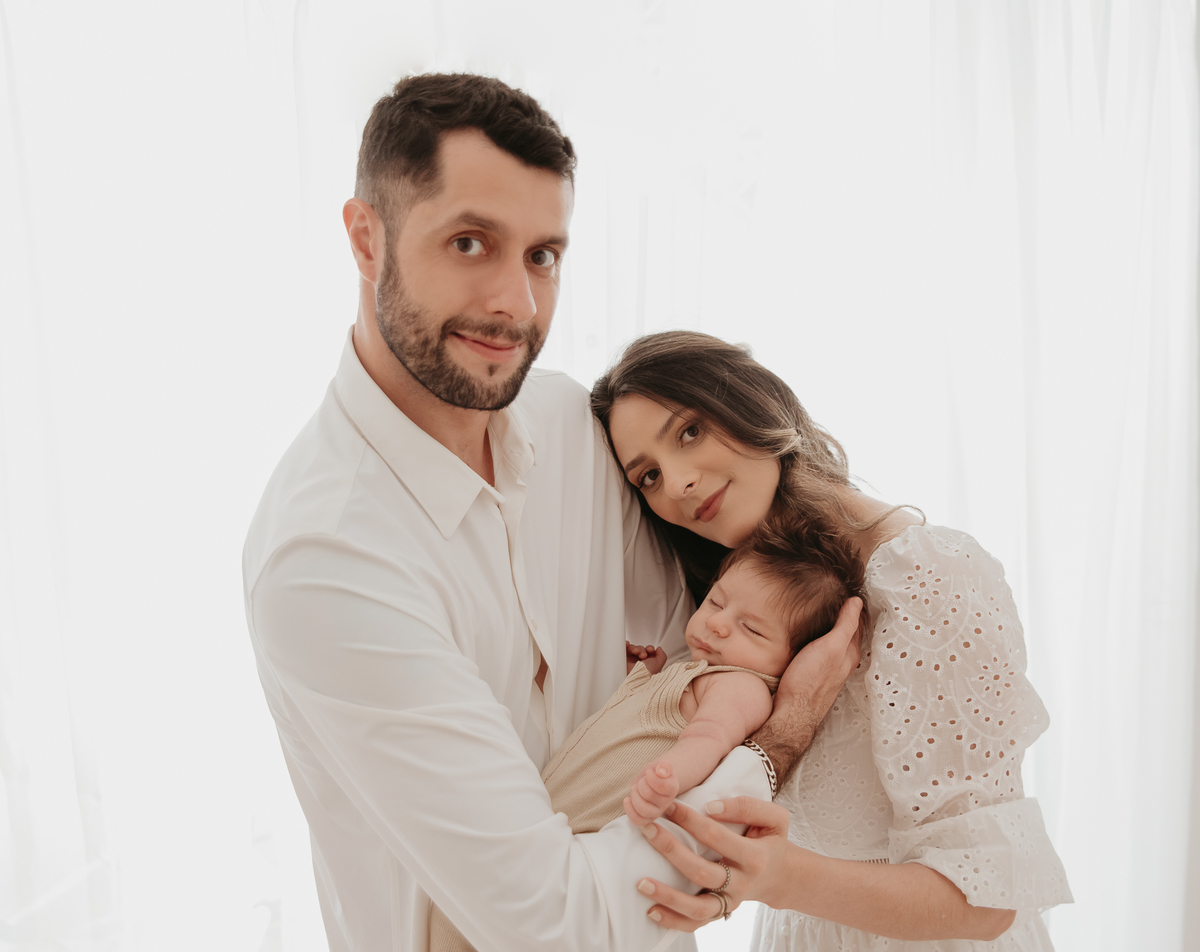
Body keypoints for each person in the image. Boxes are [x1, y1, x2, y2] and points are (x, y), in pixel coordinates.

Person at [243, 74, 860, 952]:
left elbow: (718, 632)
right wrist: (774, 741)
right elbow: (558, 927)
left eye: (543, 255)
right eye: (469, 242)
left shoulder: (575, 428)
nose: (517, 305)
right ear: (366, 237)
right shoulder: (328, 561)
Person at [589, 331, 1074, 950]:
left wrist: (778, 876)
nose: (678, 482)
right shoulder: (726, 604)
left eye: (689, 432)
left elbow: (989, 898)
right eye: (648, 476)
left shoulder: (928, 575)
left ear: (754, 404)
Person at [431, 522, 864, 952]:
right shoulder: (693, 673)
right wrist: (644, 677)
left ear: (793, 660)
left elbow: (708, 738)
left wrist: (669, 777)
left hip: (587, 836)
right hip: (553, 826)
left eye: (751, 629)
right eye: (716, 601)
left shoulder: (741, 686)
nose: (717, 624)